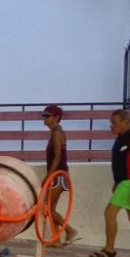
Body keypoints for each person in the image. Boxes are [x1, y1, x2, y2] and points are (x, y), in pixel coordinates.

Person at [90, 108, 130, 257]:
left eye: (114, 123)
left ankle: (109, 250)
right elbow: (121, 162)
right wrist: (116, 182)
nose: (111, 126)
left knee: (109, 214)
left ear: (125, 122)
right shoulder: (121, 137)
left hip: (129, 183)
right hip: (123, 182)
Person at [41, 104, 79, 246]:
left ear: (56, 117)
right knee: (50, 209)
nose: (44, 119)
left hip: (58, 176)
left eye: (47, 116)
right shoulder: (56, 132)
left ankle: (69, 230)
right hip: (58, 175)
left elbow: (57, 156)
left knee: (47, 208)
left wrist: (48, 177)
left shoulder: (57, 133)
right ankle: (56, 239)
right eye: (43, 115)